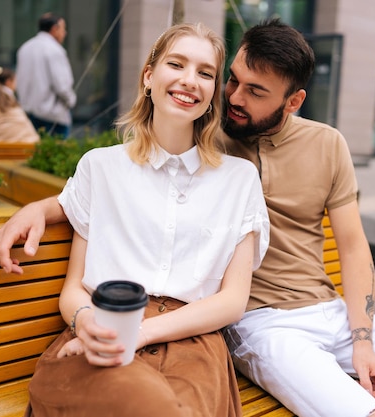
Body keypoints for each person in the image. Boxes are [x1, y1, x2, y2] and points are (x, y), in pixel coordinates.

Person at [0, 19, 375, 417]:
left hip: (310, 313)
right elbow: (110, 192)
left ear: (293, 101)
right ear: (149, 74)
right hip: (258, 326)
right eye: (231, 78)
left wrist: (362, 339)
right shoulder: (152, 150)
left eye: (253, 91)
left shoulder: (290, 156)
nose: (233, 97)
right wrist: (42, 208)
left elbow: (354, 246)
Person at [16, 23, 269, 417]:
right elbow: (74, 289)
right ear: (149, 76)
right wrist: (88, 326)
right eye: (177, 64)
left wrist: (142, 333)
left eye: (205, 73)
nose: (190, 80)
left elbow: (233, 300)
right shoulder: (99, 168)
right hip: (102, 331)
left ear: (212, 95)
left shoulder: (239, 179)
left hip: (193, 344)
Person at [16, 12, 76, 137]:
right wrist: (71, 100)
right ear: (54, 29)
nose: (65, 33)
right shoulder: (55, 49)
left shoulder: (24, 48)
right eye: (63, 29)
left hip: (28, 114)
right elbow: (62, 85)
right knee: (57, 154)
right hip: (53, 116)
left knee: (35, 155)